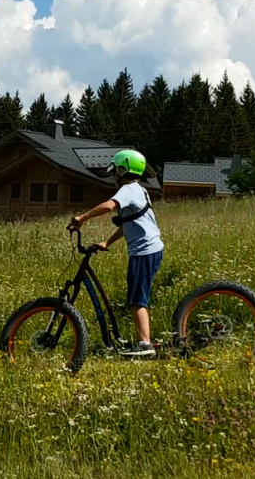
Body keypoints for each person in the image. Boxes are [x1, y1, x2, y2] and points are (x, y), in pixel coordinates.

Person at [68, 150, 164, 357]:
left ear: (122, 170)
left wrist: (82, 218)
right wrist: (107, 241)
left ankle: (145, 345)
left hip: (144, 251)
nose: (114, 177)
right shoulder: (139, 190)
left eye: (115, 172)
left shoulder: (128, 190)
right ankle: (142, 341)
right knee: (135, 297)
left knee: (137, 300)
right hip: (149, 249)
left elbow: (109, 206)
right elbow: (128, 224)